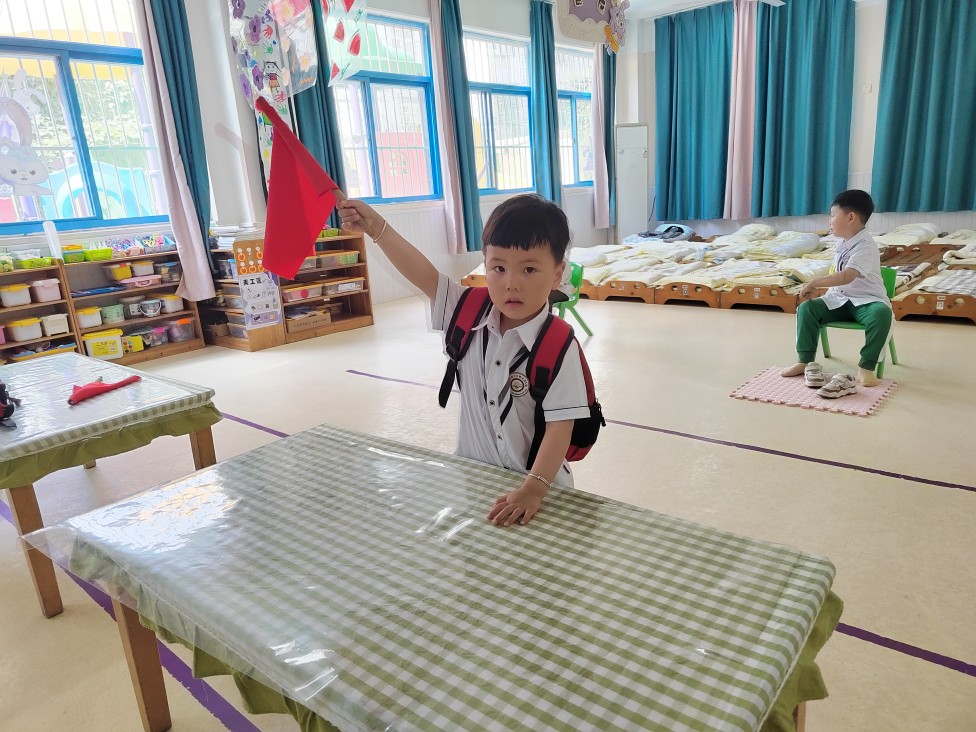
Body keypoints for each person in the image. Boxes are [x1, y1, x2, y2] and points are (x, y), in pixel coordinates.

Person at [338, 194, 592, 527]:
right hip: (474, 480)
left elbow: (561, 427)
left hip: (541, 491)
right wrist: (377, 229)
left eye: (529, 269)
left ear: (558, 274)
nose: (511, 283)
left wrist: (533, 489)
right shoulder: (465, 312)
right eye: (498, 268)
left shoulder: (559, 344)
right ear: (485, 265)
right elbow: (424, 275)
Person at [781, 189, 892, 388]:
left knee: (882, 314)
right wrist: (821, 290)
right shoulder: (842, 242)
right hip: (839, 299)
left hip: (867, 301)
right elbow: (836, 274)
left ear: (850, 217)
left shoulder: (866, 245)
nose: (830, 221)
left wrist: (814, 283)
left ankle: (866, 367)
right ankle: (804, 361)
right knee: (807, 309)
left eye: (833, 215)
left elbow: (847, 275)